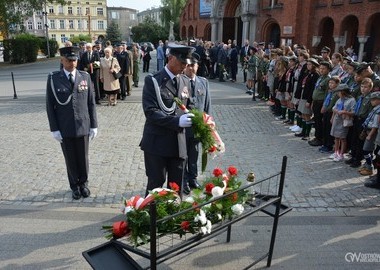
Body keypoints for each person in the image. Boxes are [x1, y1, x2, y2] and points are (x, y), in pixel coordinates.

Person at [140, 43, 195, 196]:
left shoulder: (185, 81)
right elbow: (151, 112)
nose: (184, 66)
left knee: (176, 187)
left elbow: (188, 106)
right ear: (170, 58)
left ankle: (174, 219)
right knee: (155, 185)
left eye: (186, 63)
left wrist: (200, 120)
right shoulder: (153, 81)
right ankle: (151, 218)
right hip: (157, 143)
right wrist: (176, 122)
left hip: (179, 143)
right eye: (182, 62)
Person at [46, 46, 98, 200]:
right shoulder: (54, 79)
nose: (72, 63)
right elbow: (50, 106)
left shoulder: (85, 77)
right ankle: (74, 186)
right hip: (65, 126)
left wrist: (94, 125)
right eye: (69, 60)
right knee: (70, 158)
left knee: (83, 157)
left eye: (74, 60)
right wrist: (54, 129)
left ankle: (84, 183)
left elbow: (91, 103)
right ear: (62, 60)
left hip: (83, 124)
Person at [181, 52, 211, 195]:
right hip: (183, 126)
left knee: (194, 153)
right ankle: (184, 180)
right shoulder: (179, 81)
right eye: (187, 66)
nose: (190, 68)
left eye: (193, 65)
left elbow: (207, 105)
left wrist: (208, 123)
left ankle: (193, 178)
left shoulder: (203, 82)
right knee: (183, 154)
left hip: (198, 126)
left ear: (198, 66)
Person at [329, 84, 356, 162]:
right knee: (336, 137)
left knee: (342, 138)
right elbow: (334, 107)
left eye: (338, 92)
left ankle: (341, 153)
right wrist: (334, 115)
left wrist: (345, 112)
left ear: (343, 92)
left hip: (344, 121)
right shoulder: (340, 99)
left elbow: (354, 112)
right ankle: (336, 152)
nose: (337, 93)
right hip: (337, 119)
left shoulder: (352, 100)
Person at [357, 91, 380, 175]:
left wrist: (370, 135)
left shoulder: (378, 110)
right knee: (368, 150)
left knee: (366, 150)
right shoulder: (375, 108)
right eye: (371, 100)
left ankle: (370, 167)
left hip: (372, 132)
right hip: (368, 130)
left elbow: (375, 125)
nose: (372, 101)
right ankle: (367, 165)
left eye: (374, 100)